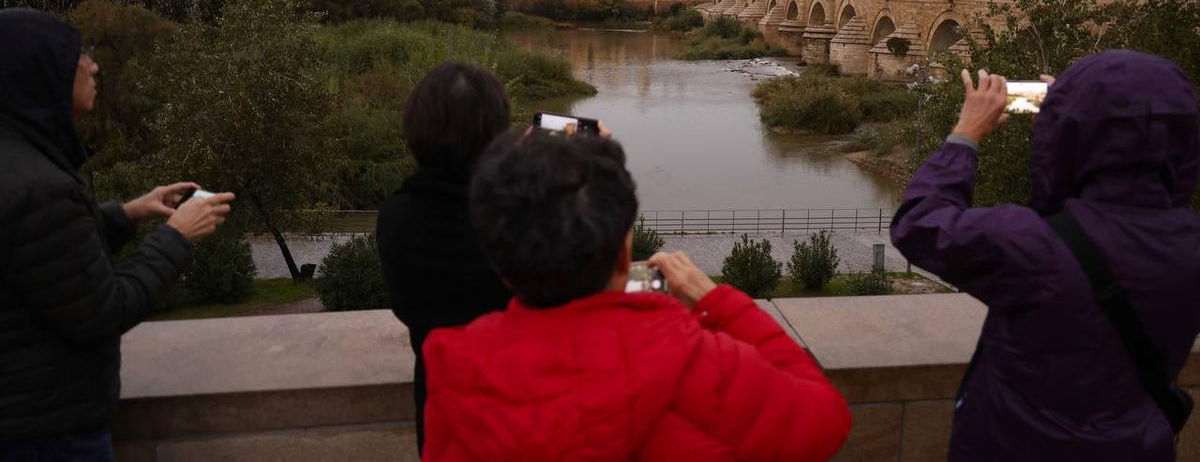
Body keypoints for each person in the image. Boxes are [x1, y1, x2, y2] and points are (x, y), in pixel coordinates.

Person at [421, 130, 851, 461]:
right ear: (626, 250)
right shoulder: (702, 363)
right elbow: (827, 418)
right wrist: (717, 300)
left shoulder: (455, 374)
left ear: (500, 267)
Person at [891, 51, 1200, 461]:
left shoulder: (1032, 245)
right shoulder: (1189, 246)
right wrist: (1079, 119)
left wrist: (965, 135)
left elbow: (919, 225)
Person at [0, 8, 234, 460]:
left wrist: (125, 215)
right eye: (79, 56)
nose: (94, 66)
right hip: (46, 432)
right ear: (40, 73)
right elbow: (103, 311)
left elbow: (41, 257)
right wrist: (176, 236)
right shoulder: (37, 184)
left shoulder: (16, 159)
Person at [375, 62, 513, 453]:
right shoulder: (515, 221)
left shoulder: (396, 218)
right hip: (517, 404)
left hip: (440, 409)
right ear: (496, 137)